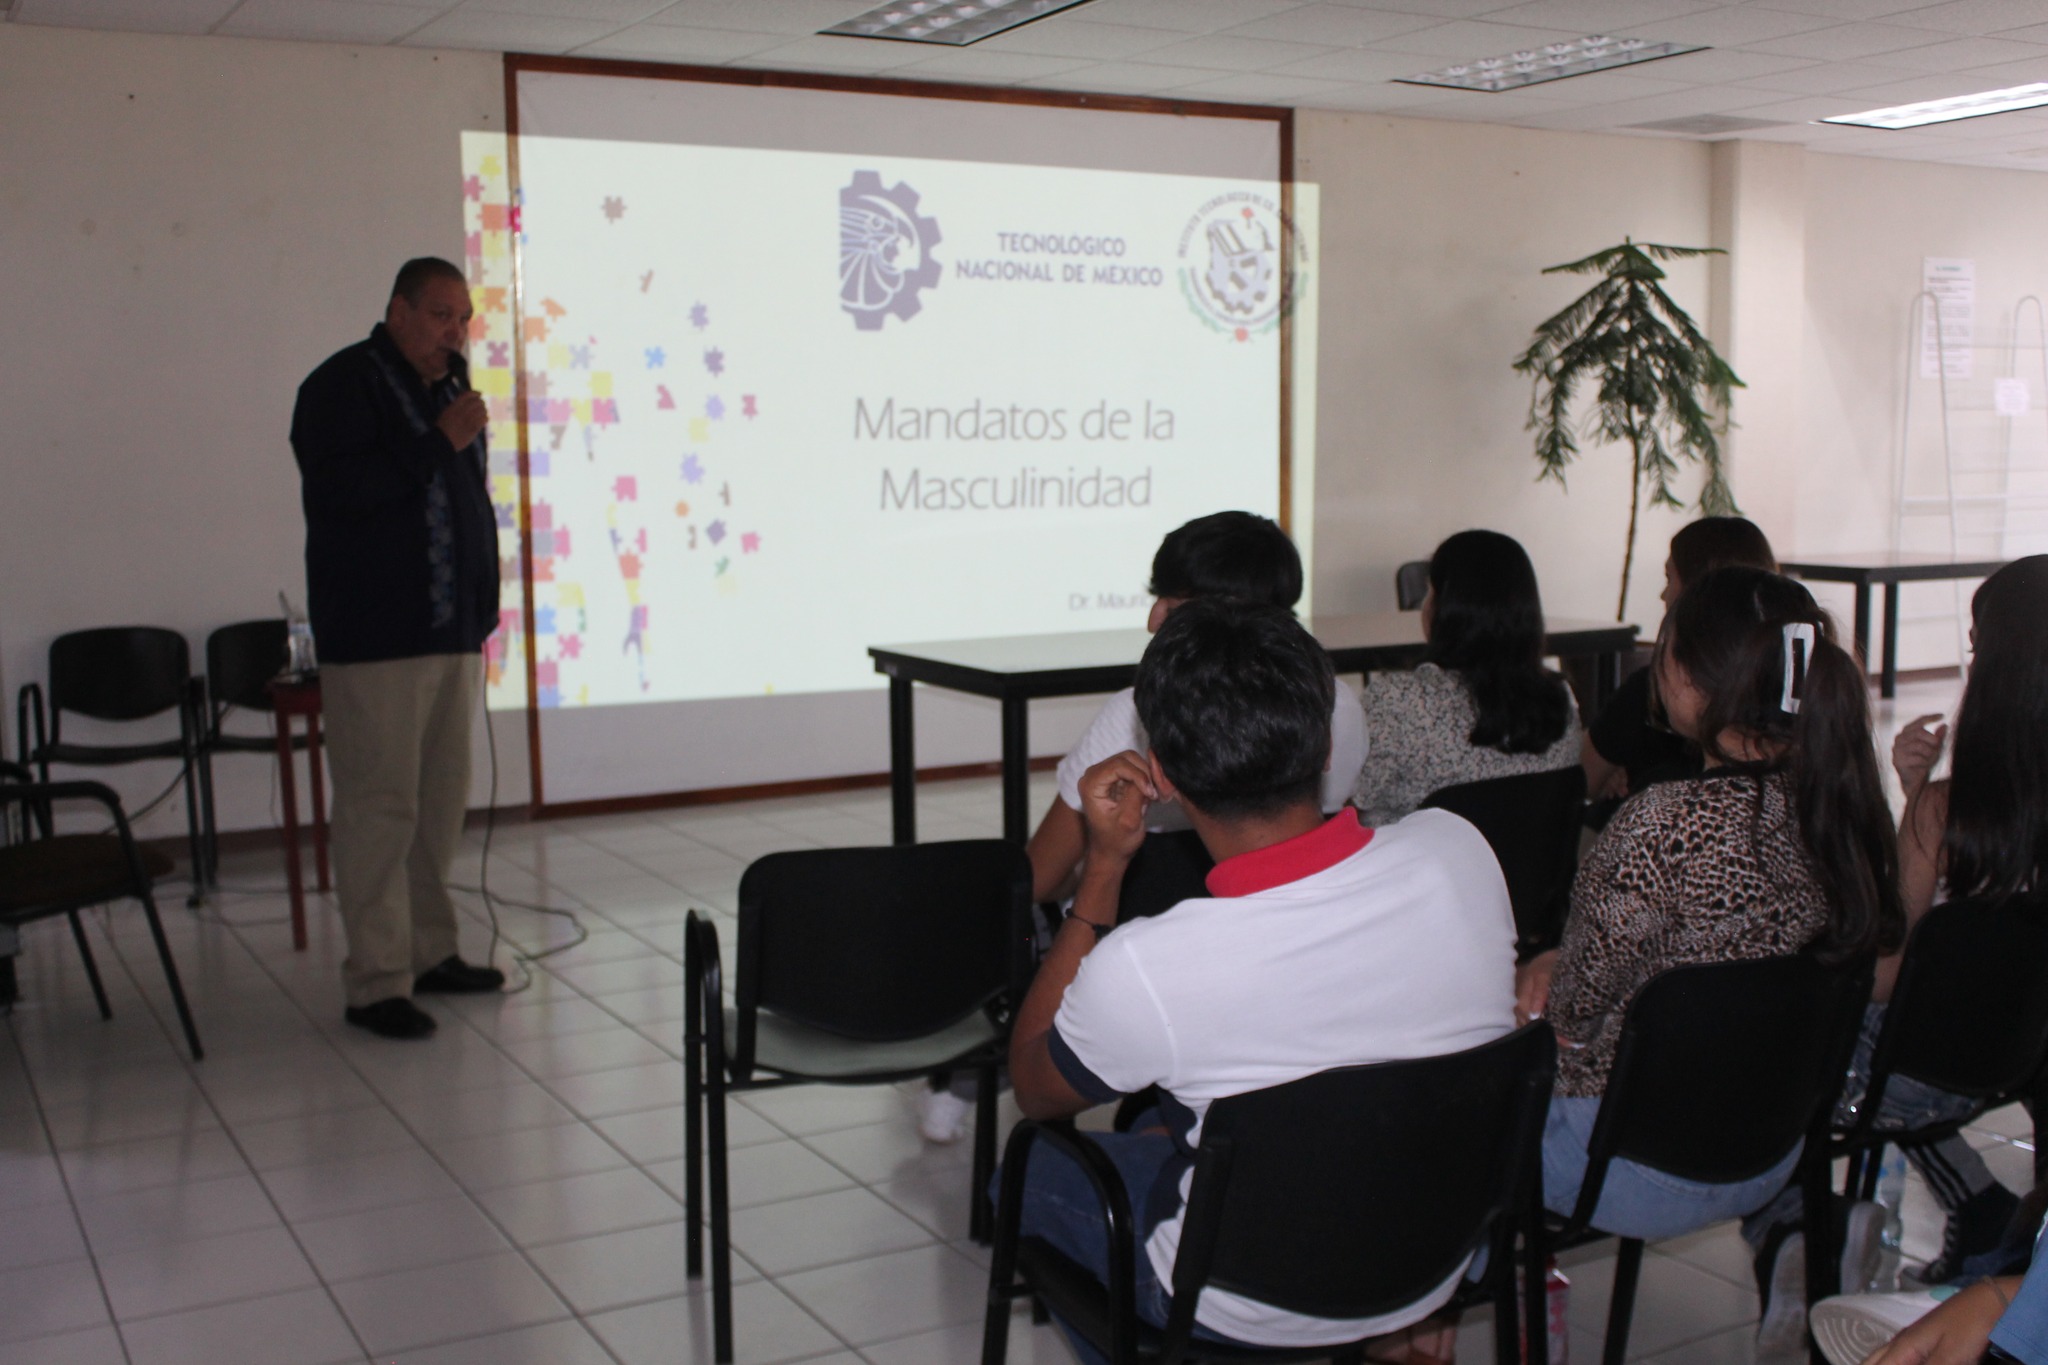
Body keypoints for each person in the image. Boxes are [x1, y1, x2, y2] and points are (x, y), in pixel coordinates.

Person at [1004, 597, 1517, 1362]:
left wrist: (1103, 867)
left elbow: (1036, 1087)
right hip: (1441, 1254)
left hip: (1242, 1298)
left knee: (1022, 1171)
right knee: (1167, 1128)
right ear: (1321, 741)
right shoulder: (1462, 852)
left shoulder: (1150, 965)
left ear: (1165, 775)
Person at [919, 511, 1367, 1142]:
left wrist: (1103, 864)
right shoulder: (1340, 706)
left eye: (1174, 603)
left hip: (1143, 948)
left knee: (1013, 909)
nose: (1154, 618)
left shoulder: (1136, 717)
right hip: (1289, 954)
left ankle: (964, 1077)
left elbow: (1040, 877)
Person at [1516, 568, 1901, 1266]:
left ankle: (1424, 1316)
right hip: (1772, 1151)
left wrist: (1549, 970)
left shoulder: (1661, 824)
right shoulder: (1842, 811)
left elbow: (1571, 1019)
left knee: (1446, 1125)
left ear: (1689, 678)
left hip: (1627, 1161)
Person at [1752, 554, 2048, 1322]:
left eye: (1980, 646)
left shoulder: (1951, 812)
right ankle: (1981, 1205)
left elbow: (1887, 977)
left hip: (1915, 1066)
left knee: (1780, 1036)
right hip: (2018, 1055)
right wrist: (1919, 789)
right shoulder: (1956, 808)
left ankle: (1792, 1235)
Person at [291, 257, 505, 1040]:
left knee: (438, 804)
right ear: (400, 311)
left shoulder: (452, 391)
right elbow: (346, 496)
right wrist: (437, 443)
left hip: (449, 634)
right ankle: (376, 982)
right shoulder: (341, 386)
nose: (456, 332)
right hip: (377, 639)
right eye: (443, 314)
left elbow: (463, 505)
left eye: (464, 318)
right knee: (380, 807)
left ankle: (430, 951)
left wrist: (481, 606)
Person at [1352, 529, 1580, 827]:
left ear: (1445, 609)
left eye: (1429, 592)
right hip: (1531, 875)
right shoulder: (1560, 702)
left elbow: (1349, 805)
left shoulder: (1398, 702)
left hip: (1413, 872)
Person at [1582, 516, 1778, 807]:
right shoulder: (1799, 695)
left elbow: (1583, 778)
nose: (1663, 594)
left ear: (1700, 592)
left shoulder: (1653, 693)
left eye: (1668, 578)